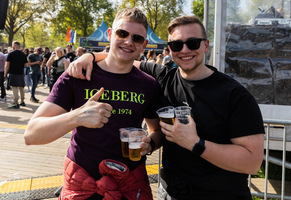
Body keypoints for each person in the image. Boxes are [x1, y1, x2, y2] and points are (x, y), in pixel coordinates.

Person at [68, 15, 265, 199]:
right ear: (170, 49)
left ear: (206, 46)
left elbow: (252, 162)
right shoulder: (162, 78)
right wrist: (90, 57)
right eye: (177, 44)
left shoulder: (235, 95)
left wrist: (196, 144)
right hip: (170, 192)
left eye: (193, 43)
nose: (185, 50)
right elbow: (122, 57)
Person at [24, 7, 163, 200]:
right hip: (83, 184)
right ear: (109, 34)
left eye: (136, 38)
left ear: (144, 45)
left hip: (129, 185)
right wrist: (77, 117)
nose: (128, 41)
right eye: (122, 33)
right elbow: (31, 134)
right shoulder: (78, 76)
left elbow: (156, 131)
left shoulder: (149, 85)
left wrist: (150, 144)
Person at [4, 41, 28, 108]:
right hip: (21, 72)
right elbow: (26, 64)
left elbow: (7, 64)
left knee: (14, 87)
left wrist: (5, 73)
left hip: (13, 72)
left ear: (14, 45)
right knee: (21, 87)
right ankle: (22, 101)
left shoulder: (11, 54)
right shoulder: (23, 54)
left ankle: (16, 102)